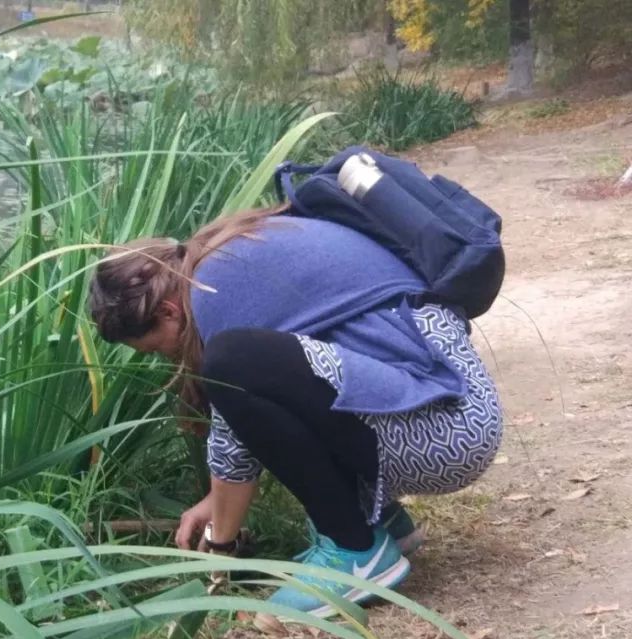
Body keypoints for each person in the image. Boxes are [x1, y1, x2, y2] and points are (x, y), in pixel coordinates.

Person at [88, 208, 503, 618]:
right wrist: (216, 501)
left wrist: (220, 547)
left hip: (446, 431)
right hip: (451, 409)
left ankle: (355, 549)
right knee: (255, 372)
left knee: (231, 360)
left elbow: (235, 409)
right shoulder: (228, 255)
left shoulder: (212, 291)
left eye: (156, 348)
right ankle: (383, 523)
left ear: (168, 312)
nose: (166, 358)